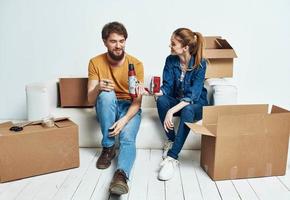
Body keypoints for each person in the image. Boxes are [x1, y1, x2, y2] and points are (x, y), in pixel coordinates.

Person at [87, 21, 144, 195]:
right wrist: (98, 87)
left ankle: (121, 176)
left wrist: (124, 120)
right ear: (105, 42)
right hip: (107, 105)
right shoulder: (95, 62)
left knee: (127, 138)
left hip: (129, 107)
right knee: (106, 94)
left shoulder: (136, 64)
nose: (118, 46)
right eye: (113, 41)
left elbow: (137, 102)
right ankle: (108, 147)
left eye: (122, 41)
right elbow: (90, 99)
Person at [155, 28, 208, 181]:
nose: (170, 46)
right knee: (162, 100)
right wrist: (153, 92)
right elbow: (167, 87)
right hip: (178, 101)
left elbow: (193, 96)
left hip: (197, 104)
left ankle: (172, 158)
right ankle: (171, 140)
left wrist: (171, 111)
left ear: (185, 47)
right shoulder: (170, 60)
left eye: (173, 44)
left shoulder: (201, 64)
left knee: (188, 110)